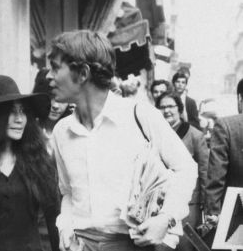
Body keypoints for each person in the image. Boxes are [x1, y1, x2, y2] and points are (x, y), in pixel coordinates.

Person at [47, 30, 197, 251]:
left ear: (82, 73)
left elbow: (186, 169)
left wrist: (165, 218)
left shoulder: (140, 115)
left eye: (55, 67)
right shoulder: (62, 131)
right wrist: (65, 225)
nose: (48, 76)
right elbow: (68, 192)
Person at [0, 75, 60, 251]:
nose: (19, 119)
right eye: (11, 112)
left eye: (22, 111)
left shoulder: (38, 161)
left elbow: (53, 220)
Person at [155, 92, 208, 251]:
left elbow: (205, 171)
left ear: (179, 109)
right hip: (160, 205)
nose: (166, 111)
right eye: (162, 107)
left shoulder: (195, 135)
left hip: (189, 203)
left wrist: (205, 204)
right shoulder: (155, 135)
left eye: (170, 106)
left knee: (186, 246)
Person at [203, 77, 243, 247]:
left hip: (235, 216)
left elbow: (215, 178)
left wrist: (212, 214)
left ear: (240, 99)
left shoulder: (227, 126)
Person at [32, 68, 72, 153]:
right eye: (50, 98)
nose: (55, 106)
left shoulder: (73, 131)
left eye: (61, 99)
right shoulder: (29, 130)